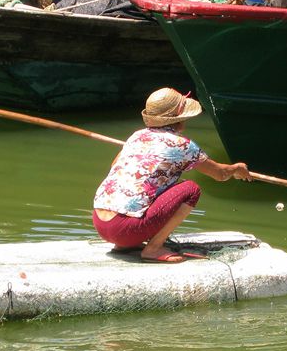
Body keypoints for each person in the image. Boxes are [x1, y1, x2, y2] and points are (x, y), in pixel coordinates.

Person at [92, 88, 251, 264]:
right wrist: (237, 168)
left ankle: (124, 245)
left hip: (101, 224)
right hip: (125, 230)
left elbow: (115, 165)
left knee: (154, 186)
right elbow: (220, 174)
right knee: (191, 189)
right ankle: (153, 249)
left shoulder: (137, 136)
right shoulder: (183, 145)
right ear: (180, 118)